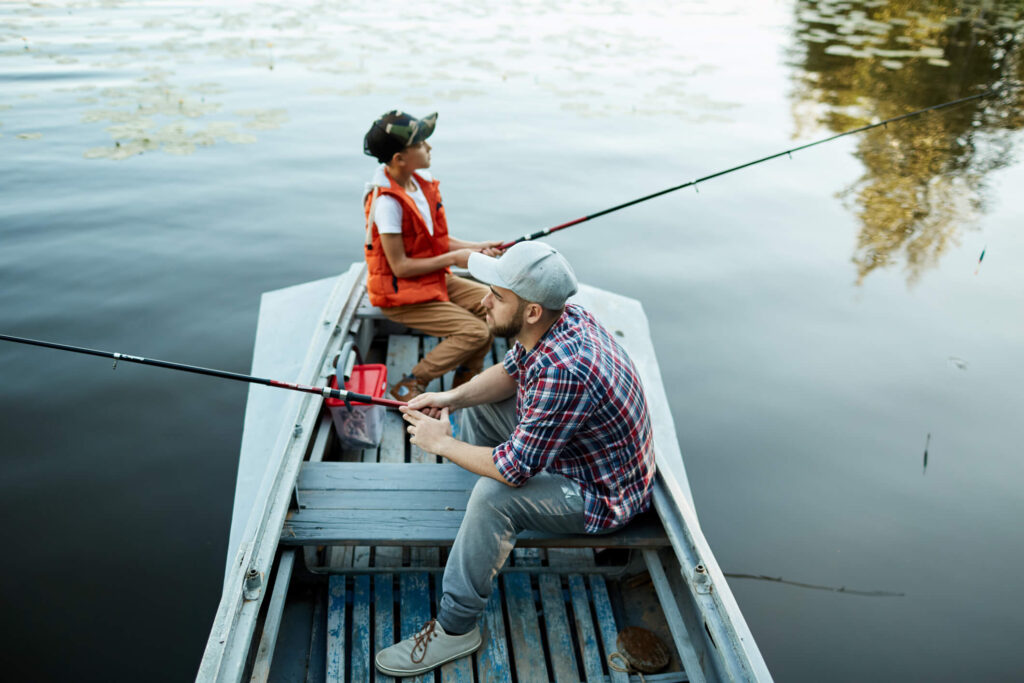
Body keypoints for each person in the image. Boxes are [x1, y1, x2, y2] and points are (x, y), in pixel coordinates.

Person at [374, 241, 657, 678]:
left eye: (497, 296)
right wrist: (450, 396)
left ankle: (456, 628)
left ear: (531, 312)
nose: (484, 301)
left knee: (493, 495)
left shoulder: (565, 368)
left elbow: (511, 470)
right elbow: (510, 373)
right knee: (481, 406)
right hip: (578, 456)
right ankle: (479, 532)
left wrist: (442, 443)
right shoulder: (560, 319)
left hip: (601, 494)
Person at [362, 110, 503, 400]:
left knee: (496, 308)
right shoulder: (387, 203)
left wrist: (477, 247)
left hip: (431, 278)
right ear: (400, 158)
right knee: (476, 332)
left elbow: (437, 241)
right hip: (398, 293)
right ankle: (410, 384)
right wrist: (454, 259)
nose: (429, 148)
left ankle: (466, 380)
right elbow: (399, 267)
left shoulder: (418, 183)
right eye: (422, 144)